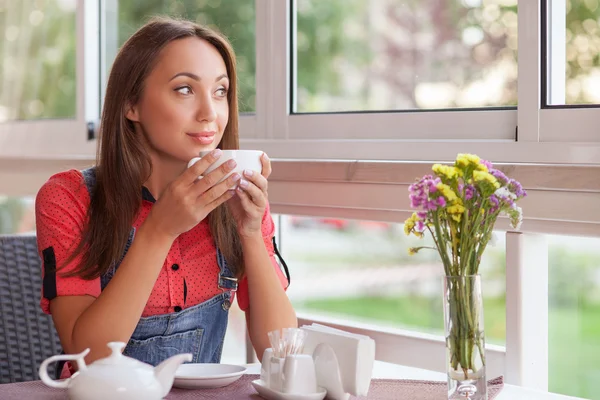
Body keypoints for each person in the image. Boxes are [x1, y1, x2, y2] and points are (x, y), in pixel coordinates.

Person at [35, 16, 296, 376]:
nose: (210, 114)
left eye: (220, 91)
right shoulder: (69, 197)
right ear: (131, 104)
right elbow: (87, 359)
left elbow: (279, 353)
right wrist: (159, 231)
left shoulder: (234, 200)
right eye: (185, 89)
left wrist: (251, 233)